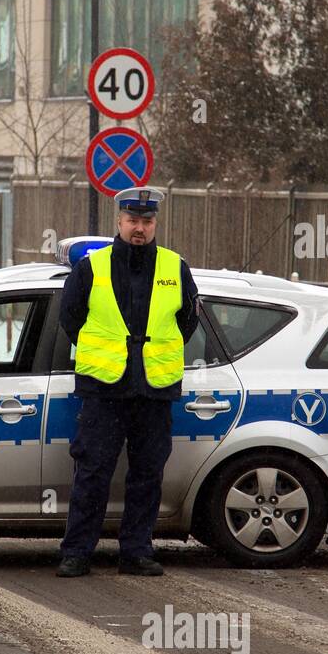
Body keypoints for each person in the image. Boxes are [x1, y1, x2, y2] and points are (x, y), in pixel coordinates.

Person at [56, 186, 200, 577]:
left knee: (147, 475)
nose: (140, 228)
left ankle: (136, 551)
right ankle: (77, 553)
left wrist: (148, 357)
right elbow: (70, 319)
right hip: (104, 391)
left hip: (153, 391)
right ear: (118, 222)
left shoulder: (175, 267)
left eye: (147, 221)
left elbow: (187, 321)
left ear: (155, 224)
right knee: (91, 474)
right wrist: (111, 354)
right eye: (133, 221)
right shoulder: (92, 267)